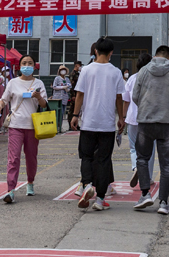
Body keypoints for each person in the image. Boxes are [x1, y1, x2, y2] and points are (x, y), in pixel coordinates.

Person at [70, 38, 126, 211]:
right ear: (111, 53)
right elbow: (119, 97)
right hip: (107, 123)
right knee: (103, 160)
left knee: (86, 156)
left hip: (88, 122)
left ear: (95, 51)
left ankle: (87, 184)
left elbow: (80, 94)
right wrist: (121, 117)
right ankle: (100, 199)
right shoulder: (116, 72)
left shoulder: (86, 70)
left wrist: (75, 115)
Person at [131, 45, 169, 214]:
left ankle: (145, 194)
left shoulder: (143, 71)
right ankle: (163, 203)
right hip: (167, 122)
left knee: (142, 158)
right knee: (166, 164)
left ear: (155, 55)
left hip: (145, 121)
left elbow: (134, 96)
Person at [0, 55, 47, 204]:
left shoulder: (38, 83)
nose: (27, 66)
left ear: (34, 66)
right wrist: (0, 105)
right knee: (13, 158)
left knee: (31, 157)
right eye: (24, 63)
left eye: (30, 63)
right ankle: (10, 190)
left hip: (33, 126)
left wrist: (38, 97)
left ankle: (30, 182)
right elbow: (4, 98)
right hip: (15, 125)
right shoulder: (13, 83)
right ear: (19, 66)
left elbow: (44, 105)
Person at [123, 53, 154, 188]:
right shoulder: (153, 79)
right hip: (149, 118)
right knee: (150, 149)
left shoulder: (131, 79)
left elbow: (126, 101)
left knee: (133, 148)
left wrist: (123, 117)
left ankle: (136, 167)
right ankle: (147, 176)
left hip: (132, 118)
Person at [51, 65, 72, 133]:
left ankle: (60, 127)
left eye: (64, 70)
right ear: (59, 71)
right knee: (57, 113)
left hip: (64, 98)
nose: (63, 71)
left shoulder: (67, 79)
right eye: (62, 70)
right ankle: (55, 127)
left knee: (62, 113)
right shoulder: (57, 78)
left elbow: (69, 88)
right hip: (57, 98)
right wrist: (62, 87)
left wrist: (67, 88)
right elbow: (54, 87)